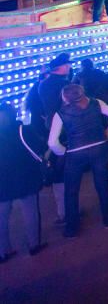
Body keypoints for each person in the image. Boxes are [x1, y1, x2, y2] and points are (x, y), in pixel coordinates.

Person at [47, 84, 108, 237]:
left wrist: (63, 153)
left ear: (65, 97)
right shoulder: (96, 103)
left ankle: (72, 228)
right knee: (102, 184)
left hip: (76, 152)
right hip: (99, 147)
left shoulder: (60, 113)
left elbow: (52, 142)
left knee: (71, 191)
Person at [0, 102, 46, 262]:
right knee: (30, 211)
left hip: (2, 180)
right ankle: (34, 245)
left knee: (2, 216)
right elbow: (38, 147)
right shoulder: (22, 130)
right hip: (25, 175)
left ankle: (3, 251)